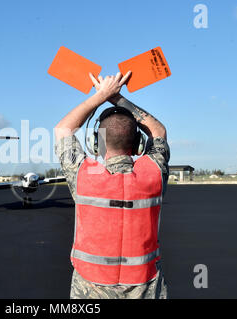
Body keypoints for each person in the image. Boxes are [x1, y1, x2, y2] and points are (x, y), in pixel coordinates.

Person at [54, 72, 170, 299]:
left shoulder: (84, 176)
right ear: (138, 144)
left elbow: (63, 129)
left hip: (91, 291)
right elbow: (158, 131)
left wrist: (102, 95)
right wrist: (117, 98)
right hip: (146, 288)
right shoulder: (154, 173)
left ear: (97, 144)